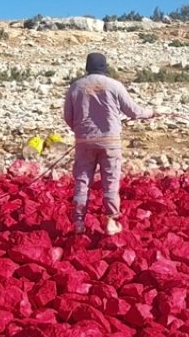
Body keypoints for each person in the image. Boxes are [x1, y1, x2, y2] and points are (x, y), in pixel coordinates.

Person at [63, 52, 155, 235]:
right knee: (111, 182)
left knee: (82, 182)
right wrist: (151, 112)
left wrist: (81, 131)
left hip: (84, 142)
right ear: (105, 68)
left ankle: (79, 223)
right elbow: (134, 112)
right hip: (110, 141)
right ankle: (112, 221)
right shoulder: (115, 85)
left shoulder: (75, 87)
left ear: (87, 67)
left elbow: (68, 117)